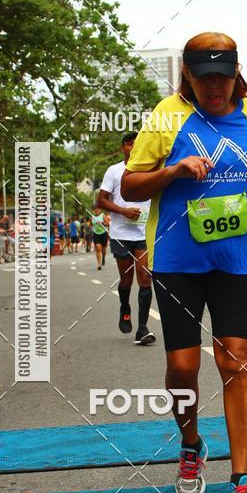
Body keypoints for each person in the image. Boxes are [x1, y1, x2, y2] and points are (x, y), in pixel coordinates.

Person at [122, 31, 247, 493]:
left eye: (223, 78)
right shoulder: (167, 116)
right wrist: (174, 171)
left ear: (236, 74)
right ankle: (191, 442)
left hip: (241, 257)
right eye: (205, 80)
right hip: (179, 258)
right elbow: (133, 185)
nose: (215, 88)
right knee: (182, 367)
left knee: (236, 359)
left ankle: (242, 480)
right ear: (187, 77)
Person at [97, 133, 155, 345]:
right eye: (130, 143)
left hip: (144, 234)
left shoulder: (151, 169)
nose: (133, 146)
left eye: (137, 143)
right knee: (126, 280)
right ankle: (125, 307)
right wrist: (123, 211)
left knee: (145, 278)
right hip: (121, 234)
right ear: (123, 148)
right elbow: (100, 200)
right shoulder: (114, 171)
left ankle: (143, 328)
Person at [91, 205, 108, 269]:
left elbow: (108, 223)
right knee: (98, 248)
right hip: (96, 234)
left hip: (103, 233)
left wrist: (102, 223)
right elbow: (91, 225)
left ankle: (103, 257)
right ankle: (99, 264)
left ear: (100, 210)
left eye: (98, 208)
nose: (96, 210)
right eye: (95, 209)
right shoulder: (92, 217)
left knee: (103, 250)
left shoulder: (103, 215)